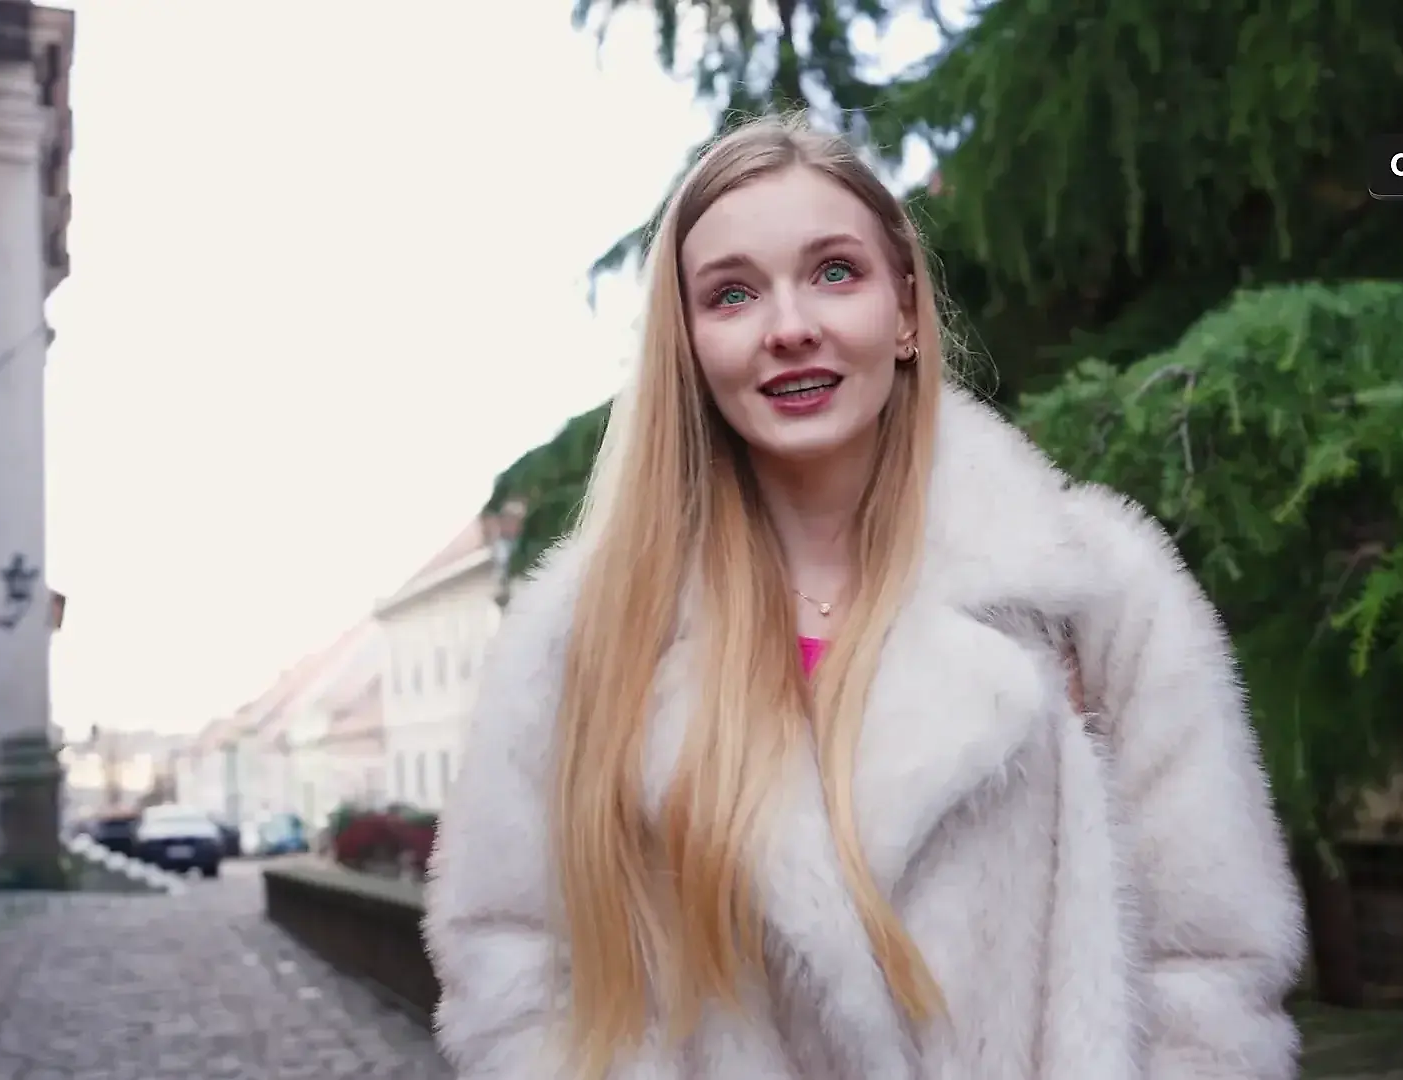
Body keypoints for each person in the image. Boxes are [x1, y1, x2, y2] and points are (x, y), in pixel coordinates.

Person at [424, 113, 1306, 1079]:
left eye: (835, 272)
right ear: (686, 345)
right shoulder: (585, 636)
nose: (789, 327)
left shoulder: (1091, 593)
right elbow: (512, 971)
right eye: (731, 294)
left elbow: (1212, 965)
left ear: (907, 312)